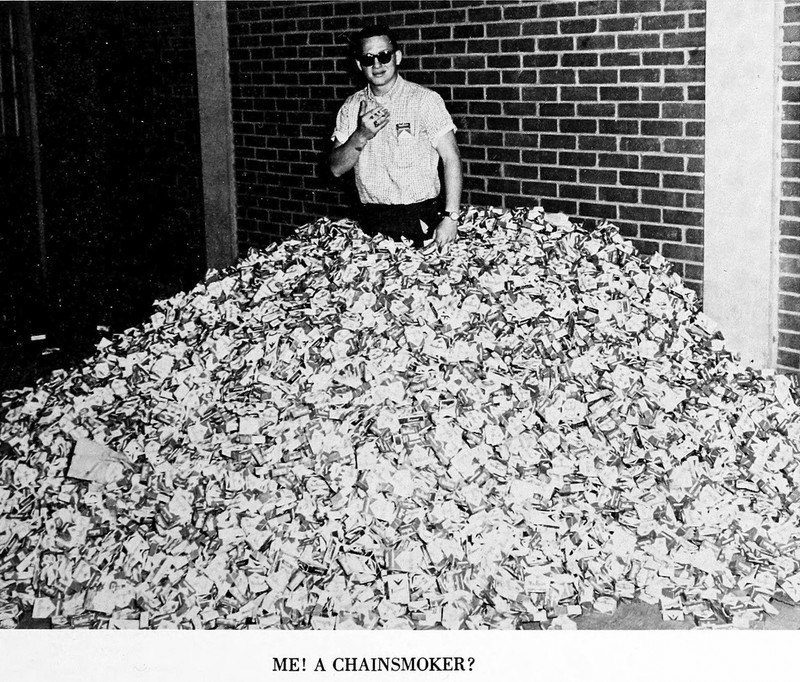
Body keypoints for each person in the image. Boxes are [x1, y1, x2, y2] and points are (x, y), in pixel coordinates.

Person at [329, 24, 463, 248]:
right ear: (359, 65)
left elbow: (452, 158)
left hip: (420, 217)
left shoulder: (425, 100)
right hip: (371, 220)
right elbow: (335, 168)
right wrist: (360, 135)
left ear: (397, 57)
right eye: (368, 59)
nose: (377, 65)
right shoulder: (351, 107)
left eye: (384, 56)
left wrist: (451, 217)